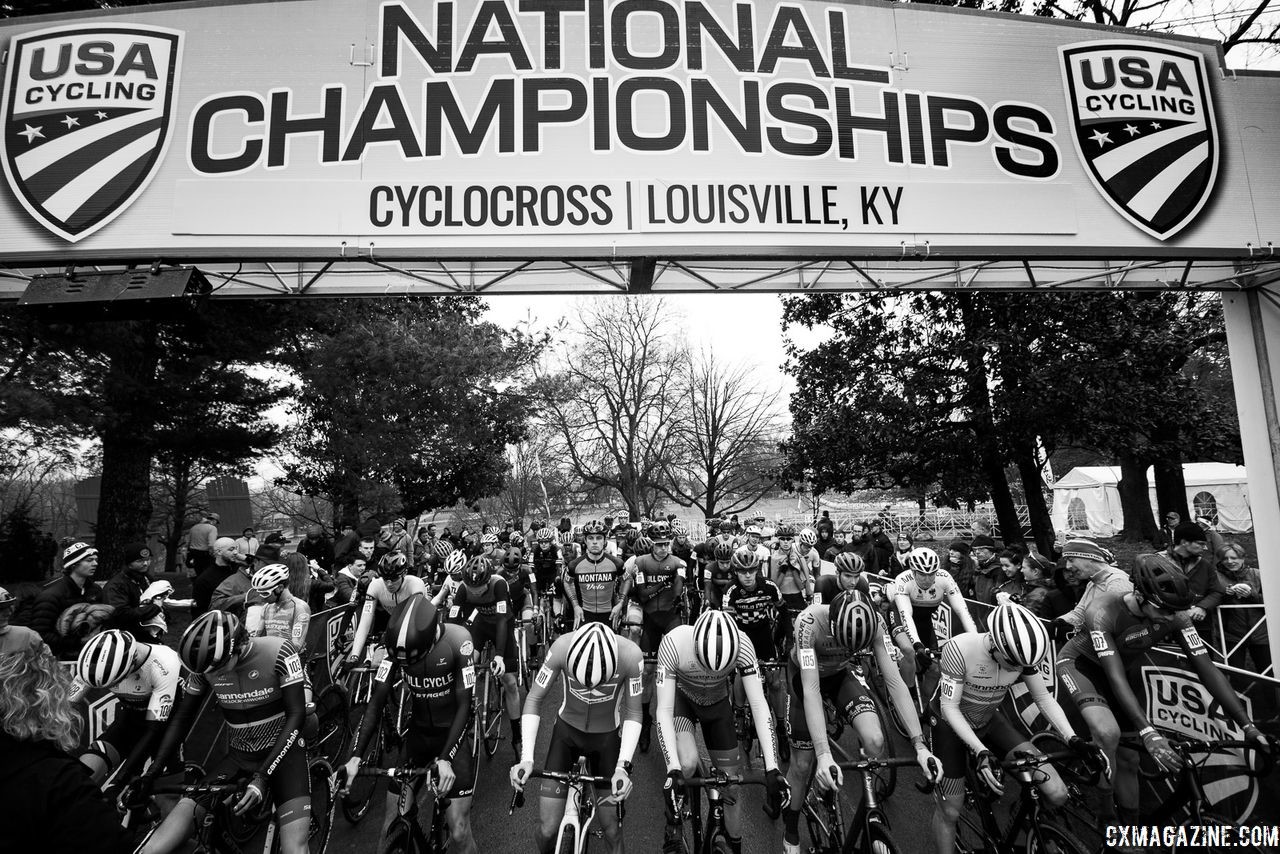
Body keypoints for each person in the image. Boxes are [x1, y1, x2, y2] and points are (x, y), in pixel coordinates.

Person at [1055, 554, 1271, 838]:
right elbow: (1114, 676)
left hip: (1121, 669)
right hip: (1081, 666)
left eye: (1175, 611)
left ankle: (1131, 830)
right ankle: (1105, 814)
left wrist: (1247, 726)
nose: (1171, 618)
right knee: (1108, 735)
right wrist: (1147, 731)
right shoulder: (1103, 610)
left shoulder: (1177, 614)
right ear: (1140, 596)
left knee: (1130, 761)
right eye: (1165, 610)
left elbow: (1207, 670)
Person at [130, 610, 311, 854]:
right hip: (239, 757)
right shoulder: (207, 666)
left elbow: (296, 715)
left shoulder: (279, 651)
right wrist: (152, 772)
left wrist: (263, 776)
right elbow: (183, 718)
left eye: (218, 668)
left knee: (294, 849)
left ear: (239, 646)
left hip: (286, 756)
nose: (214, 675)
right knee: (154, 848)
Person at [930, 603, 1099, 854]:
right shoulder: (961, 648)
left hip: (989, 720)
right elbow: (949, 708)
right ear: (995, 643)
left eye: (1022, 667)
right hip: (949, 725)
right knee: (951, 811)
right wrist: (980, 751)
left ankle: (1032, 827)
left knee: (1057, 792)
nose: (1015, 669)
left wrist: (1072, 738)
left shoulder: (1022, 655)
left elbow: (1043, 699)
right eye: (1011, 662)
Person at [781, 592, 940, 854]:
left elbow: (894, 682)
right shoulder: (808, 622)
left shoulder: (875, 622)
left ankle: (830, 792)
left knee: (875, 739)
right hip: (804, 678)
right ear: (833, 626)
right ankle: (791, 829)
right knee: (802, 764)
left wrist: (920, 744)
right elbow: (811, 689)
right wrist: (822, 753)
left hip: (840, 675)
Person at [342, 595, 477, 853]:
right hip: (418, 737)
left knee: (459, 832)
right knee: (388, 828)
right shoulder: (396, 646)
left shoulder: (459, 641)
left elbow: (464, 706)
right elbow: (376, 703)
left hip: (452, 739)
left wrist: (447, 758)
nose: (408, 666)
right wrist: (355, 757)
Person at [656, 610, 789, 854]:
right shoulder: (674, 642)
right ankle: (673, 822)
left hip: (717, 705)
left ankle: (733, 846)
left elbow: (759, 705)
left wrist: (772, 767)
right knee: (686, 764)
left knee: (732, 785)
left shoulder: (744, 644)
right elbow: (663, 710)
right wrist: (671, 769)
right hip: (682, 703)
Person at [511, 623, 643, 854]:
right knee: (547, 830)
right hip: (566, 735)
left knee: (612, 832)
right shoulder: (561, 646)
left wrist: (623, 767)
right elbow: (534, 699)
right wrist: (527, 759)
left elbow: (633, 712)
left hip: (606, 740)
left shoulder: (631, 654)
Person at [0, 638, 134, 853]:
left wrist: (125, 726)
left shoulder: (41, 770)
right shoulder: (57, 782)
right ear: (46, 702)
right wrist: (188, 808)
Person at [70, 629, 183, 785]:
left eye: (116, 681)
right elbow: (65, 708)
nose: (113, 687)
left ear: (132, 662)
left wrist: (120, 780)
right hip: (128, 723)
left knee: (164, 797)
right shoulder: (92, 666)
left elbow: (154, 731)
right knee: (78, 780)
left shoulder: (163, 664)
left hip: (162, 730)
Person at [613, 520, 685, 753]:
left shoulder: (678, 563)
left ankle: (678, 718)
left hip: (671, 617)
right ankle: (645, 723)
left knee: (678, 668)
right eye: (658, 544)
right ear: (652, 543)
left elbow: (677, 592)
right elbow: (643, 595)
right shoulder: (641, 562)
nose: (663, 548)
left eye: (666, 544)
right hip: (652, 619)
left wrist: (673, 582)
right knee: (648, 672)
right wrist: (663, 583)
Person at [441, 555, 523, 758]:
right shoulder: (463, 588)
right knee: (465, 663)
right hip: (480, 625)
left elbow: (502, 620)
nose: (475, 591)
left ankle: (517, 736)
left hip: (503, 625)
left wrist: (500, 656)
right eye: (471, 588)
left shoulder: (499, 584)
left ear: (488, 580)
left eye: (479, 588)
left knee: (510, 682)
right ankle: (464, 711)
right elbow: (453, 621)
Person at [891, 547, 978, 711]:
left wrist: (976, 639)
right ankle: (908, 695)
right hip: (900, 617)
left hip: (923, 620)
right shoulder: (903, 579)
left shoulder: (944, 577)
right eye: (922, 574)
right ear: (913, 571)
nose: (927, 578)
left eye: (931, 574)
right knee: (908, 650)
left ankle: (926, 702)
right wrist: (917, 645)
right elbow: (906, 615)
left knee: (935, 668)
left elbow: (962, 610)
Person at [1215, 542, 1278, 717]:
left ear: (1242, 558)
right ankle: (1239, 713)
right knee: (1235, 674)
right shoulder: (1216, 577)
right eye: (1225, 558)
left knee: (1266, 671)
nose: (1229, 561)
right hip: (1232, 633)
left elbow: (1271, 600)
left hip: (1260, 631)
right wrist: (1226, 594)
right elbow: (1212, 598)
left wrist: (1252, 595)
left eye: (1234, 558)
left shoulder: (1257, 574)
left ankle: (1272, 710)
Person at [30, 542, 103, 658]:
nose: (95, 563)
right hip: (58, 659)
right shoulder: (51, 595)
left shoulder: (95, 590)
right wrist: (77, 642)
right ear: (74, 564)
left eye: (96, 560)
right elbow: (40, 634)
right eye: (89, 560)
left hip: (91, 655)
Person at [1055, 538, 1132, 634]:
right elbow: (1079, 614)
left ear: (1090, 558)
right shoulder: (1092, 582)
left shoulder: (1117, 581)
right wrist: (1058, 623)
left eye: (1071, 560)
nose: (1068, 566)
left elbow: (1119, 624)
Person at [563, 519, 625, 627]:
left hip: (609, 615)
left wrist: (620, 604)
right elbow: (567, 582)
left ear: (605, 540)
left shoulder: (616, 563)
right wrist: (576, 606)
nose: (595, 542)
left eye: (599, 538)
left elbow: (627, 579)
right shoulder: (574, 565)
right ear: (585, 541)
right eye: (591, 538)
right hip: (584, 615)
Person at [1164, 521, 1225, 626]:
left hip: (1199, 625)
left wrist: (1202, 607)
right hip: (1165, 625)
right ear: (1184, 542)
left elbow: (1217, 592)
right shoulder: (1156, 562)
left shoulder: (1205, 565)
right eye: (1200, 543)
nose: (1205, 548)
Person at [100, 541, 163, 640]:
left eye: (148, 559)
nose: (145, 563)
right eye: (140, 561)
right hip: (124, 637)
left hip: (144, 632)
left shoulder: (145, 578)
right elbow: (122, 615)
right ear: (129, 563)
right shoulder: (117, 585)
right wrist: (155, 608)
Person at [191, 536, 244, 616]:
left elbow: (258, 563)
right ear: (219, 552)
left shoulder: (240, 569)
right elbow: (199, 610)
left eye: (236, 549)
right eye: (231, 549)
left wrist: (245, 558)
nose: (236, 552)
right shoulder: (205, 579)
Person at [0, 586, 45, 654]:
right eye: (1, 609)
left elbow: (47, 662)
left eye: (9, 607)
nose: (8, 613)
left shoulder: (27, 637)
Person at [968, 535, 1001, 605]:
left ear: (991, 550)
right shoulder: (977, 566)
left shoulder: (998, 568)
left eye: (981, 549)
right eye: (974, 550)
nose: (977, 552)